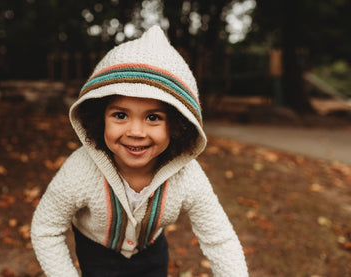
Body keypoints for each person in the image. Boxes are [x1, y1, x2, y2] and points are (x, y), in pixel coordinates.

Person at [31, 25, 248, 277]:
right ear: (99, 117)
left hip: (151, 250)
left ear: (177, 125)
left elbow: (220, 239)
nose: (136, 131)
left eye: (153, 117)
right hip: (97, 251)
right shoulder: (80, 169)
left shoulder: (187, 176)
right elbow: (46, 228)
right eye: (120, 115)